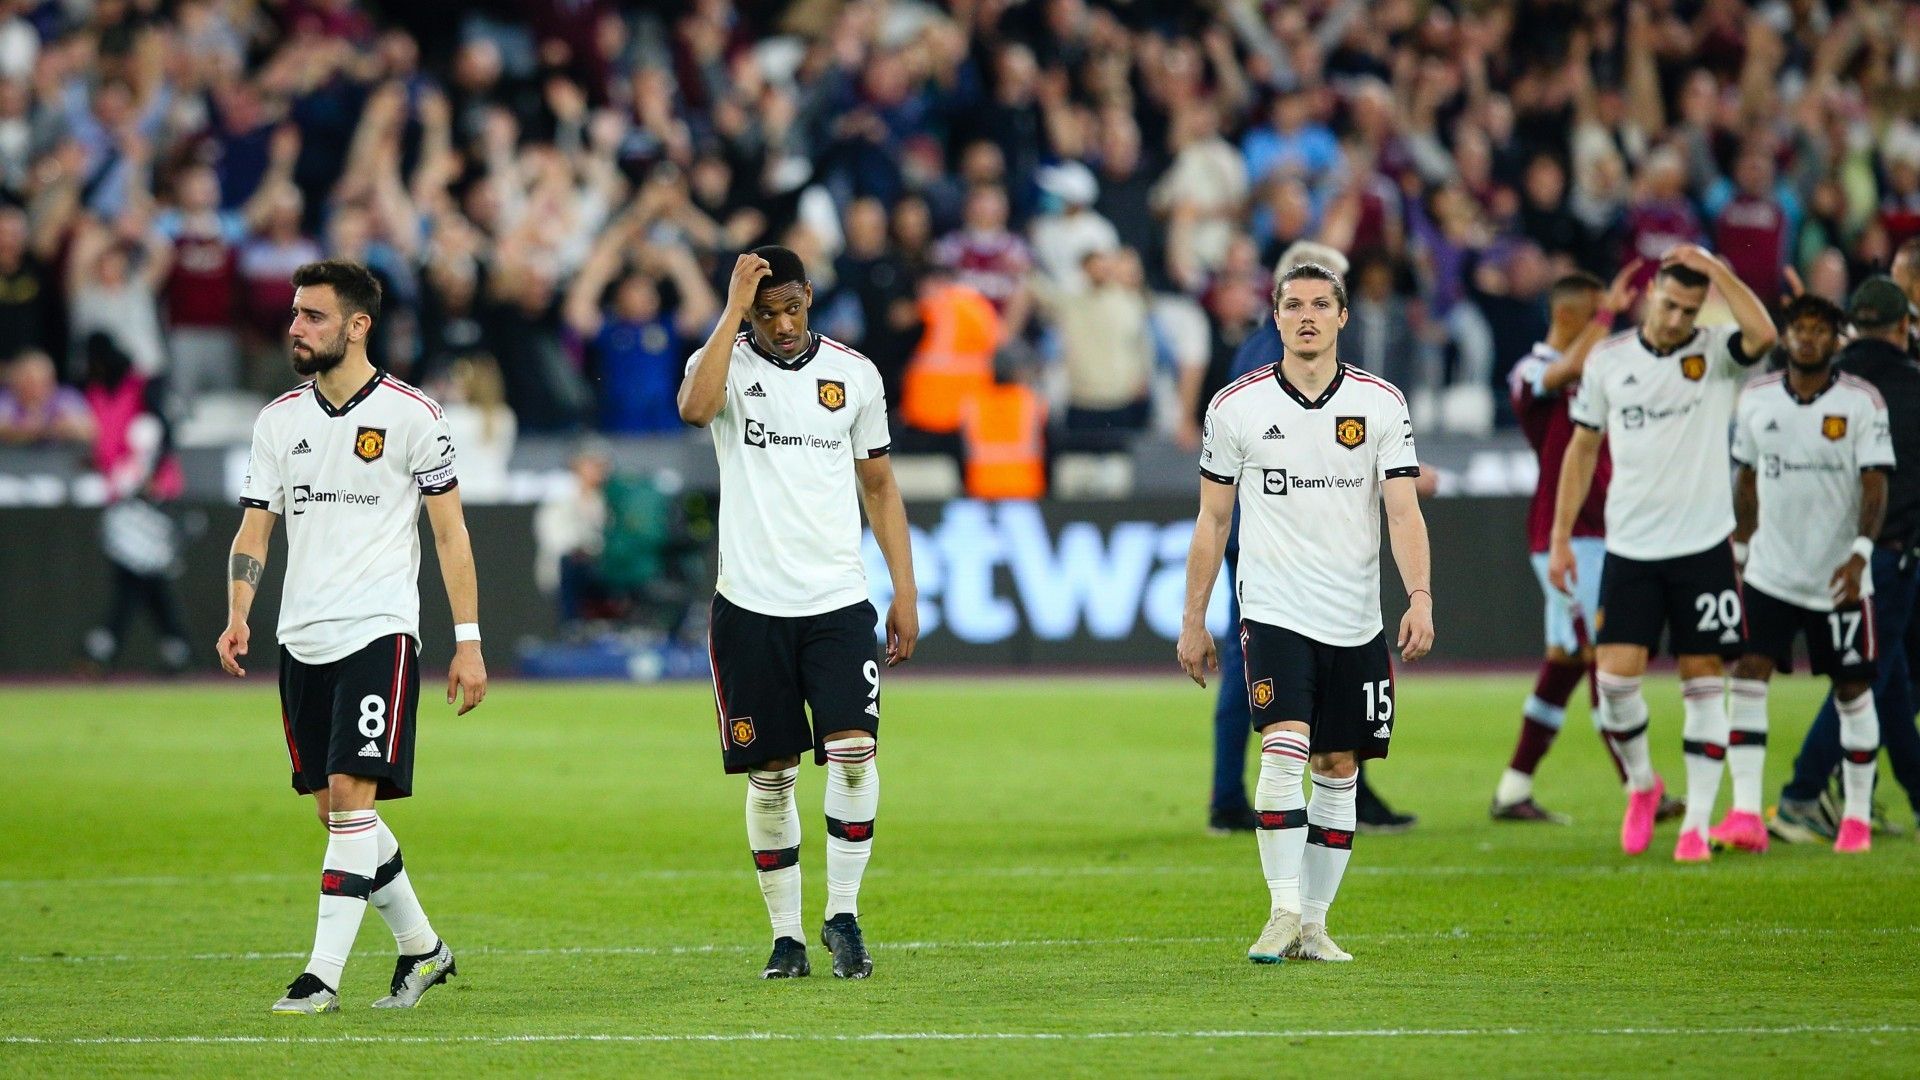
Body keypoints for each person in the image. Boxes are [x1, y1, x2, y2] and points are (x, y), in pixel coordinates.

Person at [217, 260, 489, 1014]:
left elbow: (451, 537)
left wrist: (467, 641)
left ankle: (320, 976)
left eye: (313, 315)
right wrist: (239, 610)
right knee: (336, 814)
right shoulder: (279, 419)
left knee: (350, 799)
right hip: (301, 636)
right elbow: (254, 528)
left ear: (357, 325)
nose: (296, 327)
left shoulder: (413, 415)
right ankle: (423, 950)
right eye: (296, 314)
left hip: (380, 631)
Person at [1178, 262, 1435, 964]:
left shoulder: (1382, 403)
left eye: (1321, 304)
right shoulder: (1237, 406)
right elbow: (1211, 521)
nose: (1307, 316)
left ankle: (1315, 925)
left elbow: (1403, 508)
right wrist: (1194, 619)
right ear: (1276, 316)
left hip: (1356, 617)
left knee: (1339, 765)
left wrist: (1420, 596)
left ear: (1343, 316)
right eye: (1293, 305)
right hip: (1274, 609)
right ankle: (1282, 909)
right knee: (1285, 745)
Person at [677, 245, 918, 981]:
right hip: (750, 606)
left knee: (852, 754)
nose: (782, 325)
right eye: (765, 311)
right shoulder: (721, 363)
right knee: (772, 774)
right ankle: (786, 936)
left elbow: (878, 486)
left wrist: (905, 590)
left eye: (791, 307)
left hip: (837, 602)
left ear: (810, 298)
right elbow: (693, 410)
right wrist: (729, 310)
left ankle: (842, 913)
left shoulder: (854, 374)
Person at [1549, 244, 1779, 862]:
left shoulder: (1716, 355)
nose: (1677, 319)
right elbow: (1582, 450)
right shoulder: (1608, 362)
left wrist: (1717, 270)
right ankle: (1645, 786)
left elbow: (1764, 332)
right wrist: (1562, 538)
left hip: (1703, 546)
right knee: (1615, 681)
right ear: (1651, 295)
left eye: (1689, 308)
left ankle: (1696, 825)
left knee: (1704, 680)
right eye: (1670, 304)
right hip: (1631, 547)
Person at [1202, 242, 1419, 835]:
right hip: (1268, 547)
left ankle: (1256, 794)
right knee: (1254, 673)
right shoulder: (1261, 369)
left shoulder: (1360, 392)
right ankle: (1228, 797)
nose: (1315, 314)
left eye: (1329, 298)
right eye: (1305, 299)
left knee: (1307, 682)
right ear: (1280, 303)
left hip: (1306, 549)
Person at [1724, 294, 1892, 855]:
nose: (1808, 338)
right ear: (1785, 336)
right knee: (1748, 672)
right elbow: (1745, 479)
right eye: (1799, 328)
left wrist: (1862, 550)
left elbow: (1875, 482)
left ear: (1836, 338)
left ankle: (1858, 819)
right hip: (1771, 572)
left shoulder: (1862, 402)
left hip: (1838, 576)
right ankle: (1746, 813)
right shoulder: (1755, 398)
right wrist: (1742, 550)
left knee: (1852, 688)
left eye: (1821, 329)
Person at [1493, 265, 1652, 823]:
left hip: (1607, 525)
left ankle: (1513, 789)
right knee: (1599, 654)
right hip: (1564, 534)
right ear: (1569, 315)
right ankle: (1641, 787)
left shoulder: (1598, 370)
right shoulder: (1531, 371)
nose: (1605, 327)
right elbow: (1574, 365)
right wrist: (1609, 313)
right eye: (1597, 316)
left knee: (1565, 658)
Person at [1773, 278, 1920, 841]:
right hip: (1887, 554)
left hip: (1816, 549)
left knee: (1892, 678)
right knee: (1867, 676)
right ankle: (1803, 793)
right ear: (1903, 324)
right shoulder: (1909, 386)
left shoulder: (1827, 382)